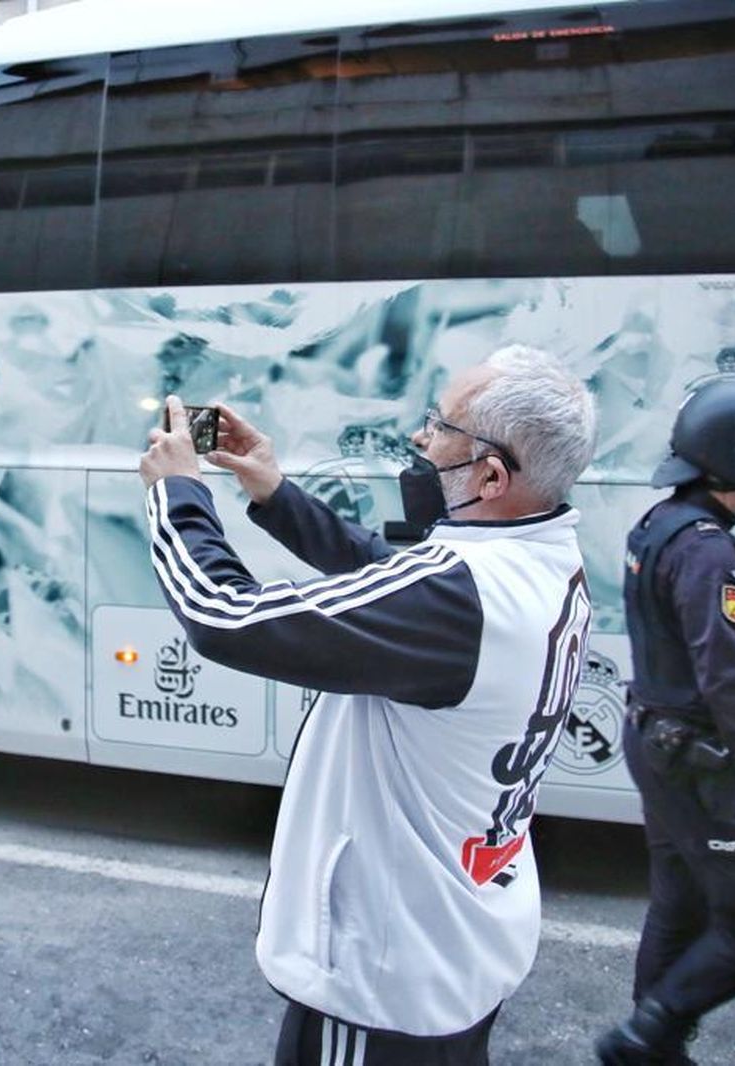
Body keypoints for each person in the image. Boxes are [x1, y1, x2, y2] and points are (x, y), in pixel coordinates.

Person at [140, 345, 598, 1065]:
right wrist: (273, 491)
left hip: (387, 978)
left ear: (491, 475)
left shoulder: (459, 592)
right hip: (465, 945)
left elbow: (220, 615)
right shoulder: (543, 561)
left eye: (441, 427)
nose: (421, 440)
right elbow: (396, 582)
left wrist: (176, 493)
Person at [595, 378, 735, 1064]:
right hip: (693, 758)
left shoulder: (660, 525)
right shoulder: (706, 551)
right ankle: (646, 1036)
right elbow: (726, 677)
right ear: (731, 459)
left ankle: (653, 1047)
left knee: (681, 902)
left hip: (659, 742)